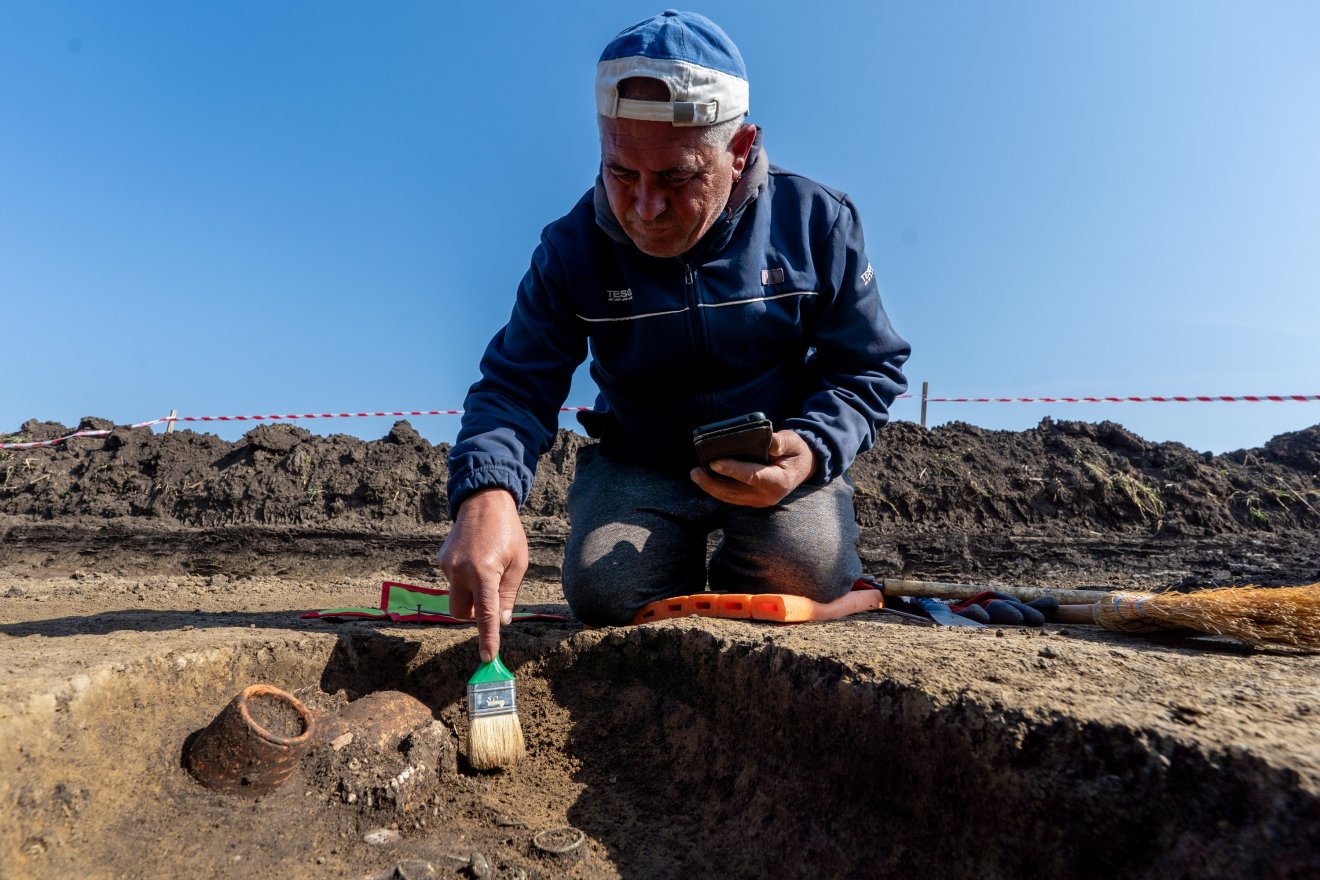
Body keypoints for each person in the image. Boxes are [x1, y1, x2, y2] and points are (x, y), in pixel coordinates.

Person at [439, 10, 910, 662]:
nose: (644, 208)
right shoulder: (571, 250)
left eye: (677, 178)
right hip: (641, 463)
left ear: (739, 149)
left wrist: (812, 447)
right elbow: (515, 384)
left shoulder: (815, 222)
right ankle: (669, 563)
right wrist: (486, 492)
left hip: (773, 464)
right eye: (621, 172)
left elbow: (869, 366)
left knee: (801, 570)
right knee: (607, 594)